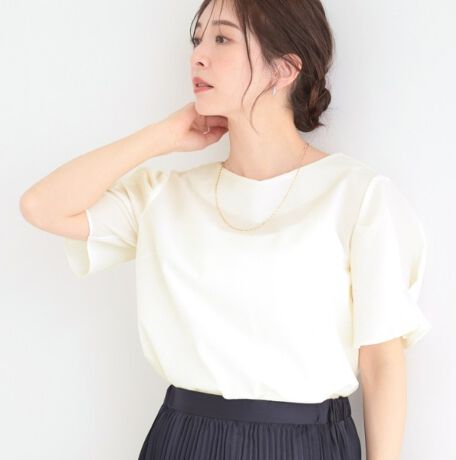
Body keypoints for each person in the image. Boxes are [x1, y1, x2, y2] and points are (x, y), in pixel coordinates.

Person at [20, 0, 432, 459]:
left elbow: (382, 364)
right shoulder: (166, 196)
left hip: (308, 444)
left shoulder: (357, 196)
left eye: (222, 38)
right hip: (184, 441)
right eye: (197, 39)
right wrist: (162, 137)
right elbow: (42, 207)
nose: (198, 56)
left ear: (284, 69)